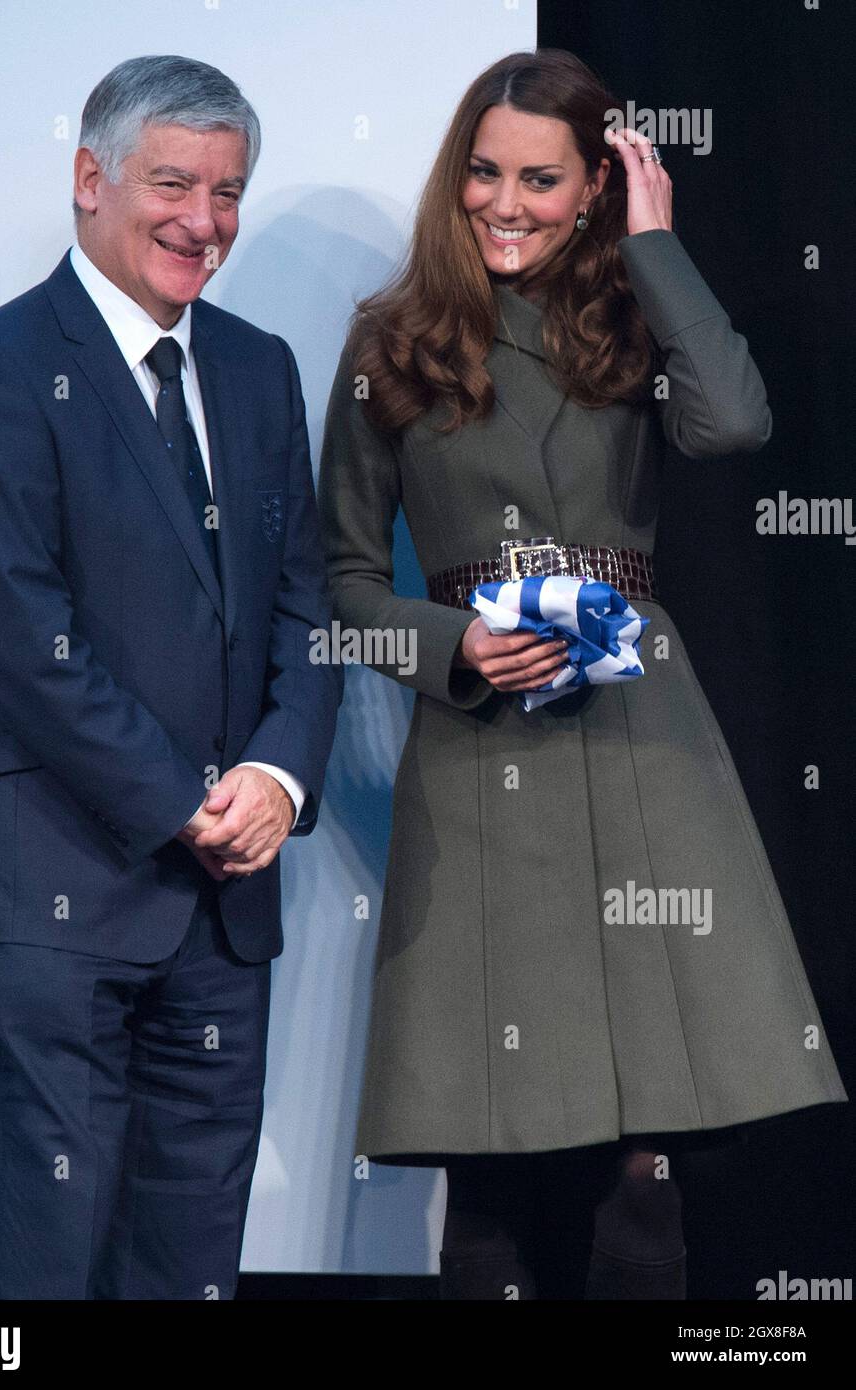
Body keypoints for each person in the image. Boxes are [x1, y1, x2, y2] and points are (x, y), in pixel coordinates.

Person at [317, 48, 847, 1300]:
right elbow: (336, 585)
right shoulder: (392, 344)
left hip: (639, 741)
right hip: (483, 743)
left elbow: (734, 422)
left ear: (597, 185)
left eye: (543, 180)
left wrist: (656, 245)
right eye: (485, 174)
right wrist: (451, 649)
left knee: (645, 1156)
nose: (507, 203)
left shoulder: (631, 320)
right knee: (489, 1161)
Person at [0, 54, 341, 1300]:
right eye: (173, 182)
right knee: (46, 1271)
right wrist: (186, 805)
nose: (203, 221)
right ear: (90, 179)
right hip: (50, 888)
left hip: (222, 913)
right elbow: (17, 635)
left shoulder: (260, 367)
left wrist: (274, 775)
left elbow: (306, 610)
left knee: (191, 1262)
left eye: (229, 191)